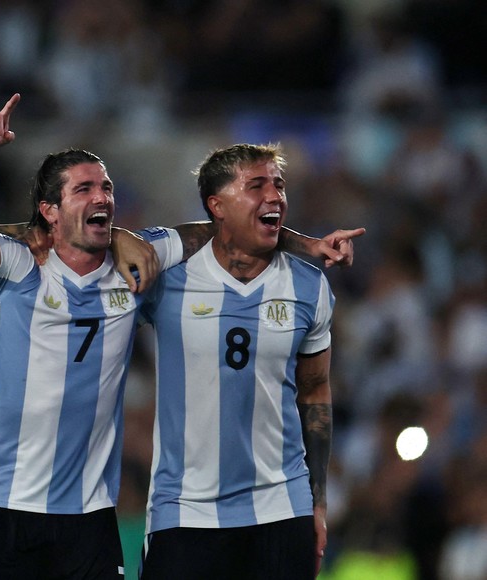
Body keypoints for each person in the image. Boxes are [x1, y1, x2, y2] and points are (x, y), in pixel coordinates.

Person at [0, 95, 360, 579]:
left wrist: (309, 244)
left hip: (89, 514)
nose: (101, 197)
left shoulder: (138, 270)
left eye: (107, 187)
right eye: (84, 189)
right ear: (49, 212)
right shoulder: (15, 263)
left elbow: (221, 231)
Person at [139, 143, 352, 579]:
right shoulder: (168, 278)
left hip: (281, 507)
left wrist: (318, 501)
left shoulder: (309, 287)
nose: (274, 196)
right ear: (216, 205)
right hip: (185, 511)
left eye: (279, 185)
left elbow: (314, 391)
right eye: (256, 186)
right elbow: (107, 250)